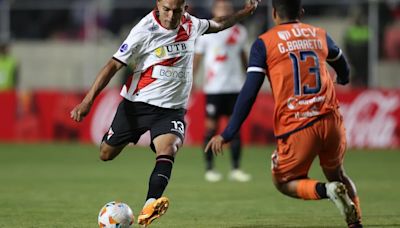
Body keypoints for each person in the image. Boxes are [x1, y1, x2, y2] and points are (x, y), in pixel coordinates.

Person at [70, 0, 260, 226]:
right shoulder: (144, 30)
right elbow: (113, 65)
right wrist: (88, 101)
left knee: (168, 149)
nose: (171, 16)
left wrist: (244, 12)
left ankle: (151, 203)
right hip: (137, 105)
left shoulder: (191, 24)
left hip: (171, 110)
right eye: (166, 10)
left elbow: (219, 23)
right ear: (158, 6)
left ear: (185, 8)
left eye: (177, 11)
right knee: (106, 153)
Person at [205, 0, 363, 227]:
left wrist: (228, 132)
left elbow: (249, 92)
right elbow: (342, 64)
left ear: (273, 14)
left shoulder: (264, 43)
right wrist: (345, 78)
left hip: (298, 125)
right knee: (338, 173)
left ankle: (328, 191)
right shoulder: (318, 34)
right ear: (301, 12)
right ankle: (356, 222)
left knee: (284, 180)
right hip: (331, 121)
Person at [193, 0, 251, 183]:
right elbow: (198, 59)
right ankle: (209, 169)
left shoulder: (240, 32)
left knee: (235, 129)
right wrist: (191, 79)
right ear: (214, 11)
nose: (224, 10)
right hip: (214, 88)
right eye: (221, 8)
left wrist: (249, 77)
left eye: (227, 8)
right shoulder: (206, 33)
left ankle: (236, 168)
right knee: (211, 127)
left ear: (232, 11)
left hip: (235, 87)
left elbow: (243, 58)